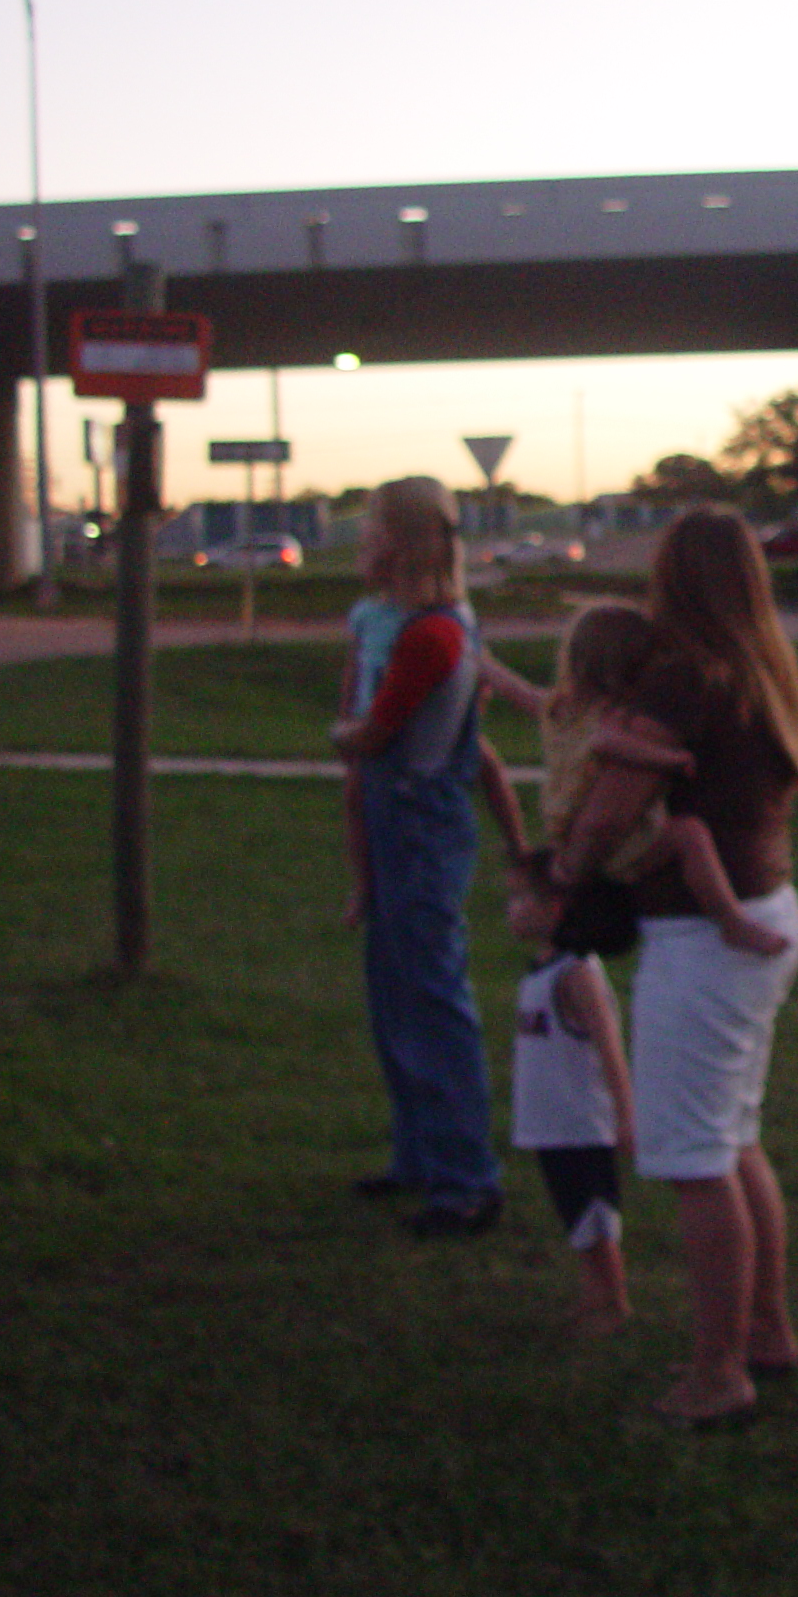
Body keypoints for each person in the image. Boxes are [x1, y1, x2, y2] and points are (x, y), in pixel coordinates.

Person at [552, 507, 798, 1428]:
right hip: (763, 912)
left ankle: (716, 1372)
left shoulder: (679, 677)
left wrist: (565, 876)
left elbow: (607, 813)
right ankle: (765, 1332)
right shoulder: (761, 667)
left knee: (695, 1157)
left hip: (704, 941)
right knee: (733, 1137)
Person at [329, 477, 521, 1237]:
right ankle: (422, 1157)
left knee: (433, 998)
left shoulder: (432, 635)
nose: (360, 546)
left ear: (402, 546)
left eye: (370, 532)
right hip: (397, 815)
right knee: (397, 993)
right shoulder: (416, 622)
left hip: (416, 818)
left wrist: (338, 738)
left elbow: (371, 732)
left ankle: (468, 1180)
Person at [483, 601, 793, 958]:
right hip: (622, 842)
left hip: (566, 824)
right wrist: (672, 760)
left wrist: (484, 667)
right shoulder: (613, 716)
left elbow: (519, 692)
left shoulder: (560, 710)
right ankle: (732, 923)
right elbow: (604, 743)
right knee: (690, 835)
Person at [504, 853, 639, 1337]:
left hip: (580, 1123)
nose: (510, 909)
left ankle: (614, 1299)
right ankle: (593, 1293)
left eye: (520, 898)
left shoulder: (575, 974)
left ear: (557, 910)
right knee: (572, 1211)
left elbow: (608, 1044)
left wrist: (625, 1114)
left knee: (593, 1212)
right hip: (551, 1122)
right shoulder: (541, 971)